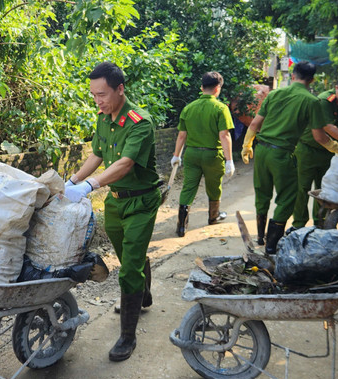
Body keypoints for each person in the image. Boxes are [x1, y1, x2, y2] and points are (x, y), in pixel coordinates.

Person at [64, 62, 159, 361]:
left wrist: (90, 185)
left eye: (102, 94)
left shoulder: (140, 122)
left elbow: (125, 163)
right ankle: (143, 293)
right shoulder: (103, 118)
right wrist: (73, 181)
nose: (97, 101)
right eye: (93, 95)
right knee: (130, 256)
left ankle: (127, 337)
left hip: (141, 202)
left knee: (128, 269)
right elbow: (97, 154)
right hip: (115, 201)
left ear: (120, 89)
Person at [240, 61, 338, 254]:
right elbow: (319, 137)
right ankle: (271, 246)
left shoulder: (274, 94)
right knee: (288, 197)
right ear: (312, 80)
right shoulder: (312, 101)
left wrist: (247, 145)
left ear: (293, 75)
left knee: (262, 193)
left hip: (261, 151)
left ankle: (260, 237)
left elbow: (254, 124)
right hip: (281, 154)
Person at [290, 73, 338, 231]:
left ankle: (320, 224)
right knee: (302, 188)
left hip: (331, 153)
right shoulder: (324, 101)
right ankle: (298, 225)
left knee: (326, 190)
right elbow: (328, 127)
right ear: (336, 88)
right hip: (308, 150)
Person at [170, 71, 235, 237]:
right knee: (214, 187)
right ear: (217, 88)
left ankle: (181, 226)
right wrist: (229, 160)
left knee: (188, 187)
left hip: (191, 154)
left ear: (201, 87)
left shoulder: (188, 108)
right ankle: (213, 216)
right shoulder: (221, 108)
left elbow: (182, 135)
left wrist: (176, 155)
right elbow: (224, 135)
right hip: (212, 156)